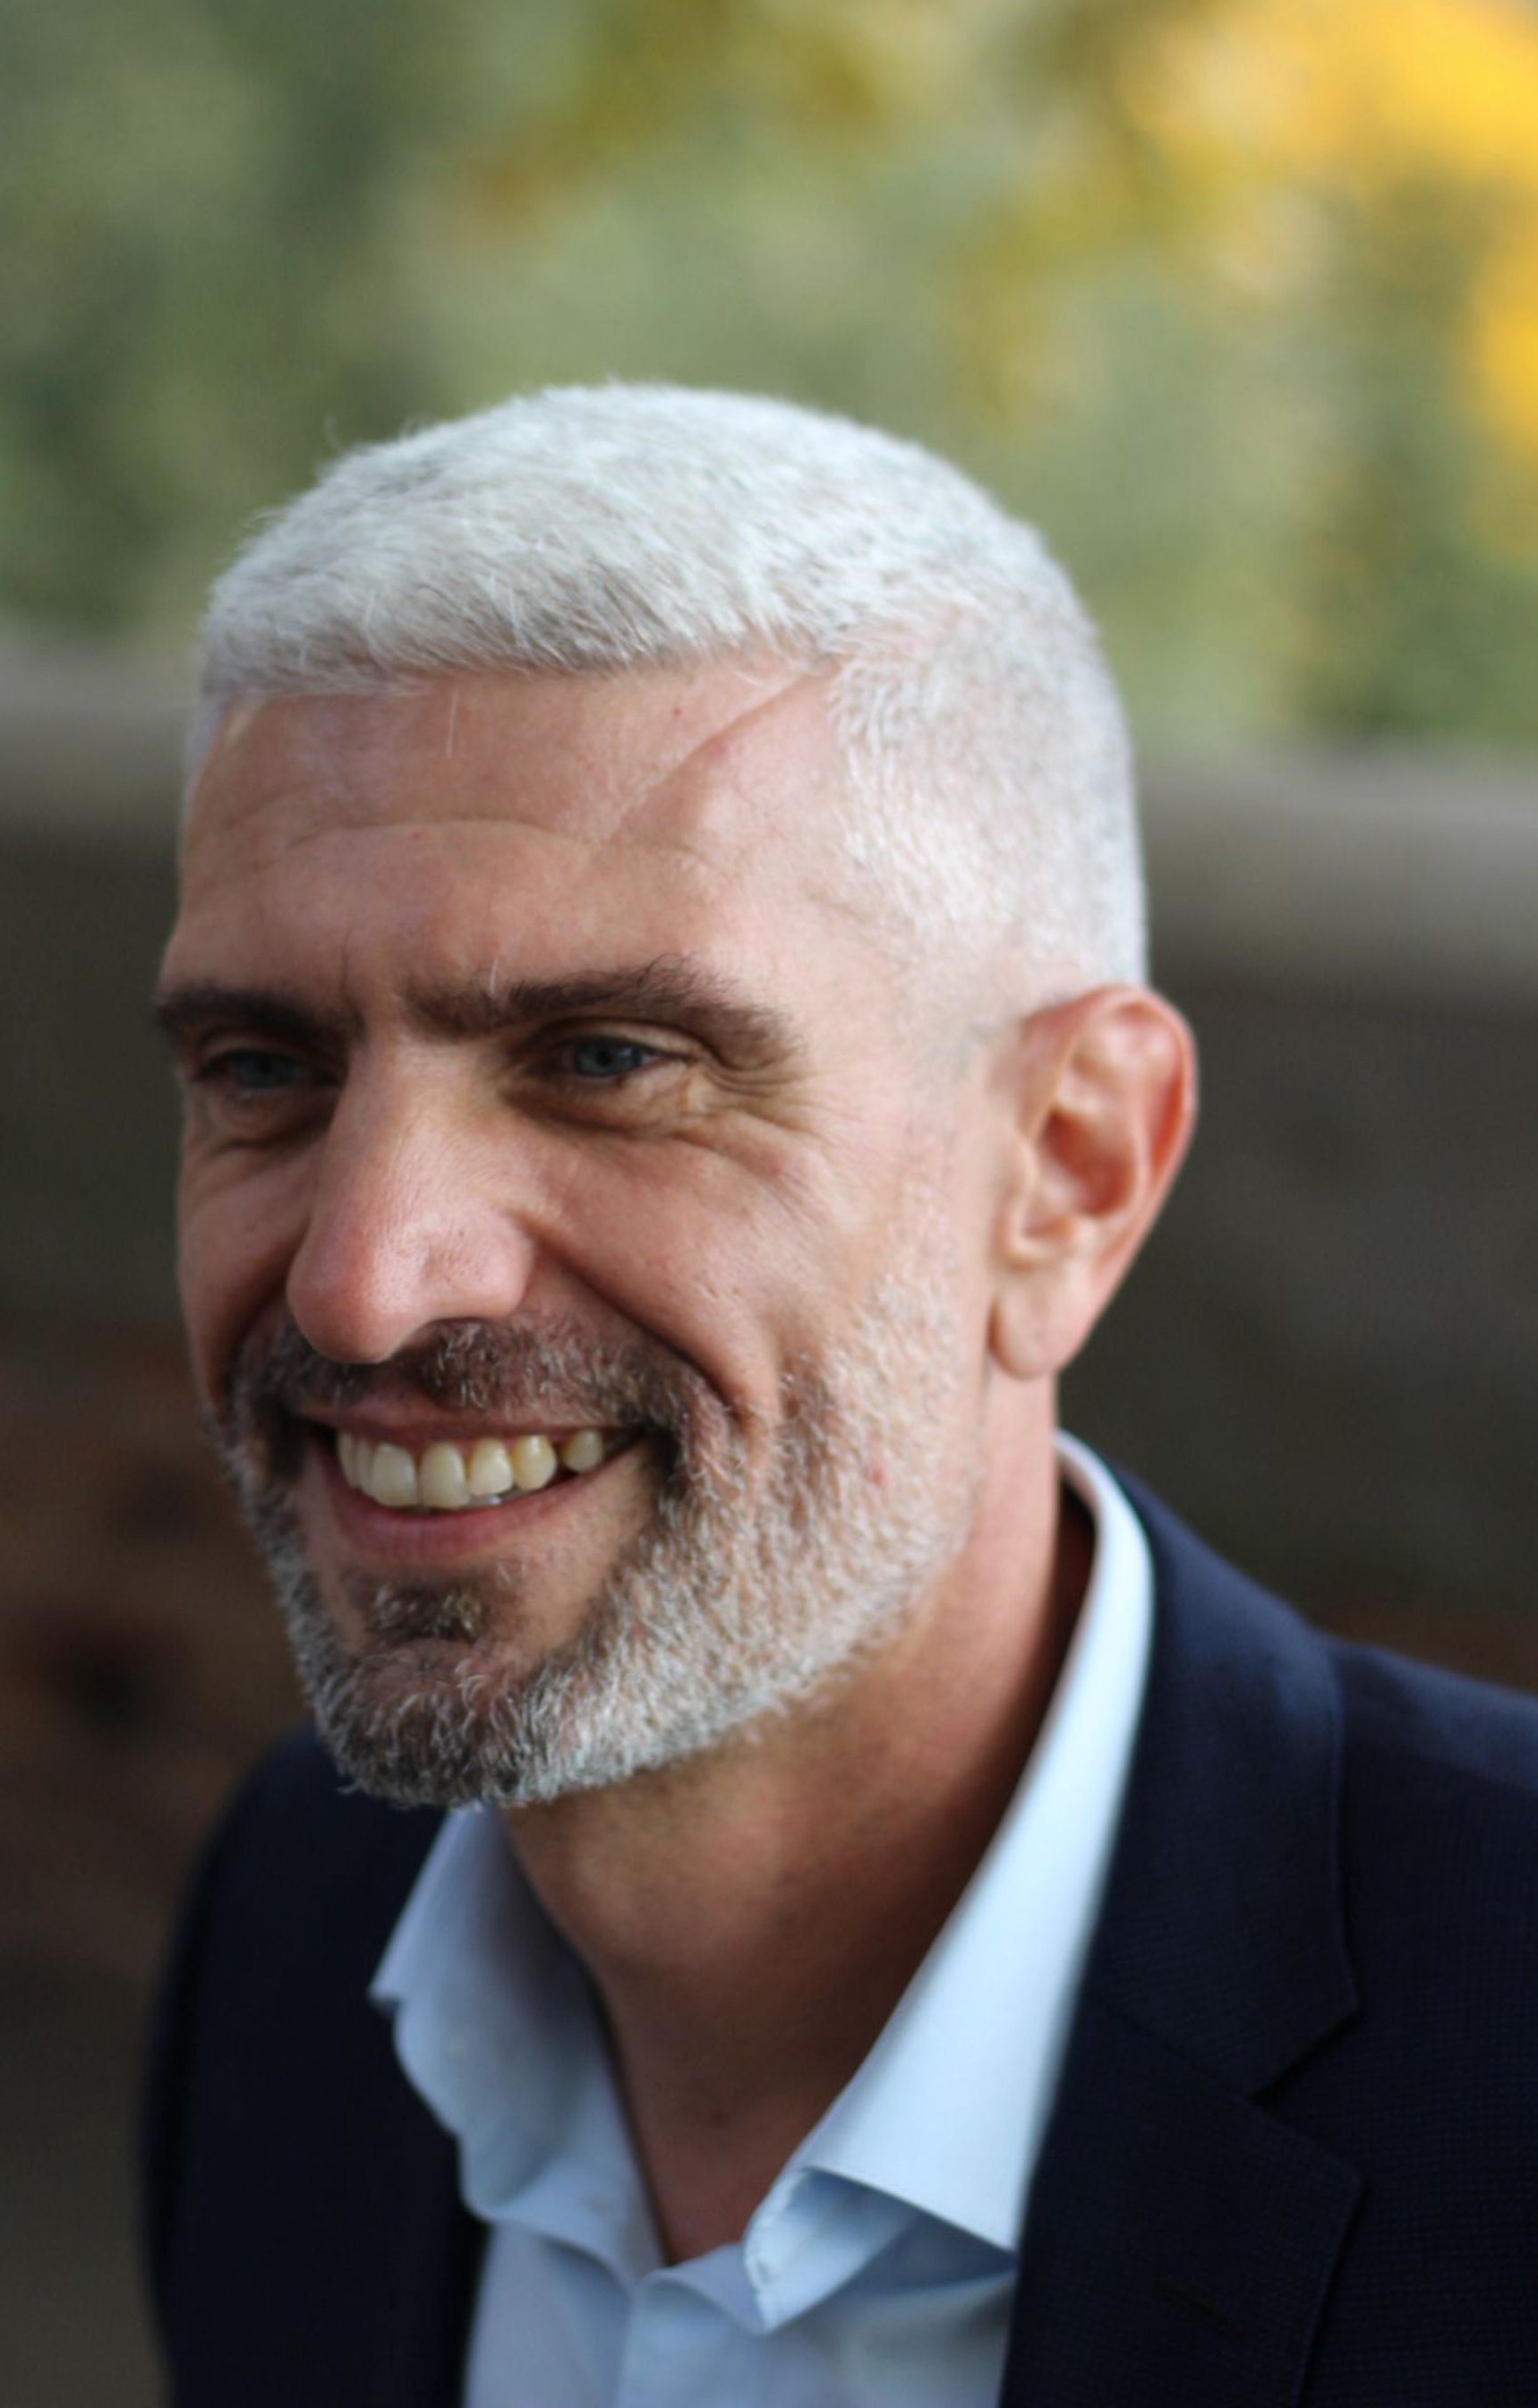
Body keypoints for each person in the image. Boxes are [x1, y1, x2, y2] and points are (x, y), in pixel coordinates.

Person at [144, 386, 1538, 2406]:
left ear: (1069, 1167)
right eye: (264, 1067)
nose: (364, 1279)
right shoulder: (294, 1932)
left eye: (613, 1059)